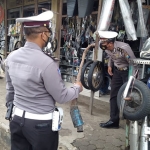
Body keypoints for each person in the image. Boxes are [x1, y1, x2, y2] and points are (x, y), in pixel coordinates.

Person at [5, 11, 83, 150]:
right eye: (48, 33)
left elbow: (10, 90)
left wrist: (13, 107)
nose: (48, 36)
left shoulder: (11, 57)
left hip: (16, 120)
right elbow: (61, 96)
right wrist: (77, 88)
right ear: (42, 35)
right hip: (40, 126)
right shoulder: (47, 63)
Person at [98, 31, 136, 129]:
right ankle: (113, 121)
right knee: (113, 95)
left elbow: (133, 63)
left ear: (111, 43)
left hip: (128, 72)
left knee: (129, 96)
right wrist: (110, 66)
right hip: (117, 72)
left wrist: (133, 79)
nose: (104, 47)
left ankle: (131, 122)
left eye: (105, 45)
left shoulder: (123, 49)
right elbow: (111, 56)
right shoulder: (106, 48)